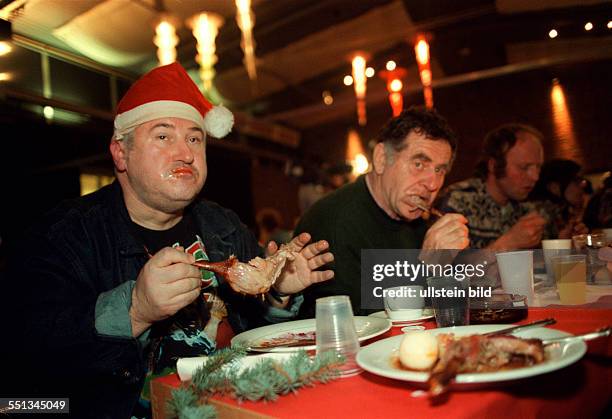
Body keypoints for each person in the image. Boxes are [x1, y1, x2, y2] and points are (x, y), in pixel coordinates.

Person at [0, 63, 333, 418]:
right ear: (120, 152)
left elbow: (258, 344)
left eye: (194, 138)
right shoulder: (61, 238)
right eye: (163, 136)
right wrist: (135, 310)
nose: (185, 153)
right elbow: (24, 371)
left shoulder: (223, 225)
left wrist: (277, 290)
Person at [294, 107, 469, 317]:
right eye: (419, 163)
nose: (432, 184)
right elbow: (358, 327)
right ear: (381, 159)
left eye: (439, 170)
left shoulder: (420, 221)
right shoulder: (332, 222)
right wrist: (429, 268)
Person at [436, 123, 548, 250]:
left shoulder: (528, 206)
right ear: (493, 166)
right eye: (524, 167)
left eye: (538, 167)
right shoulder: (458, 201)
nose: (535, 177)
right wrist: (508, 243)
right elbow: (446, 268)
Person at [528, 158, 588, 239]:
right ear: (554, 187)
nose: (583, 185)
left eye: (583, 180)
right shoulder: (540, 213)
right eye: (576, 180)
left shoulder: (563, 211)